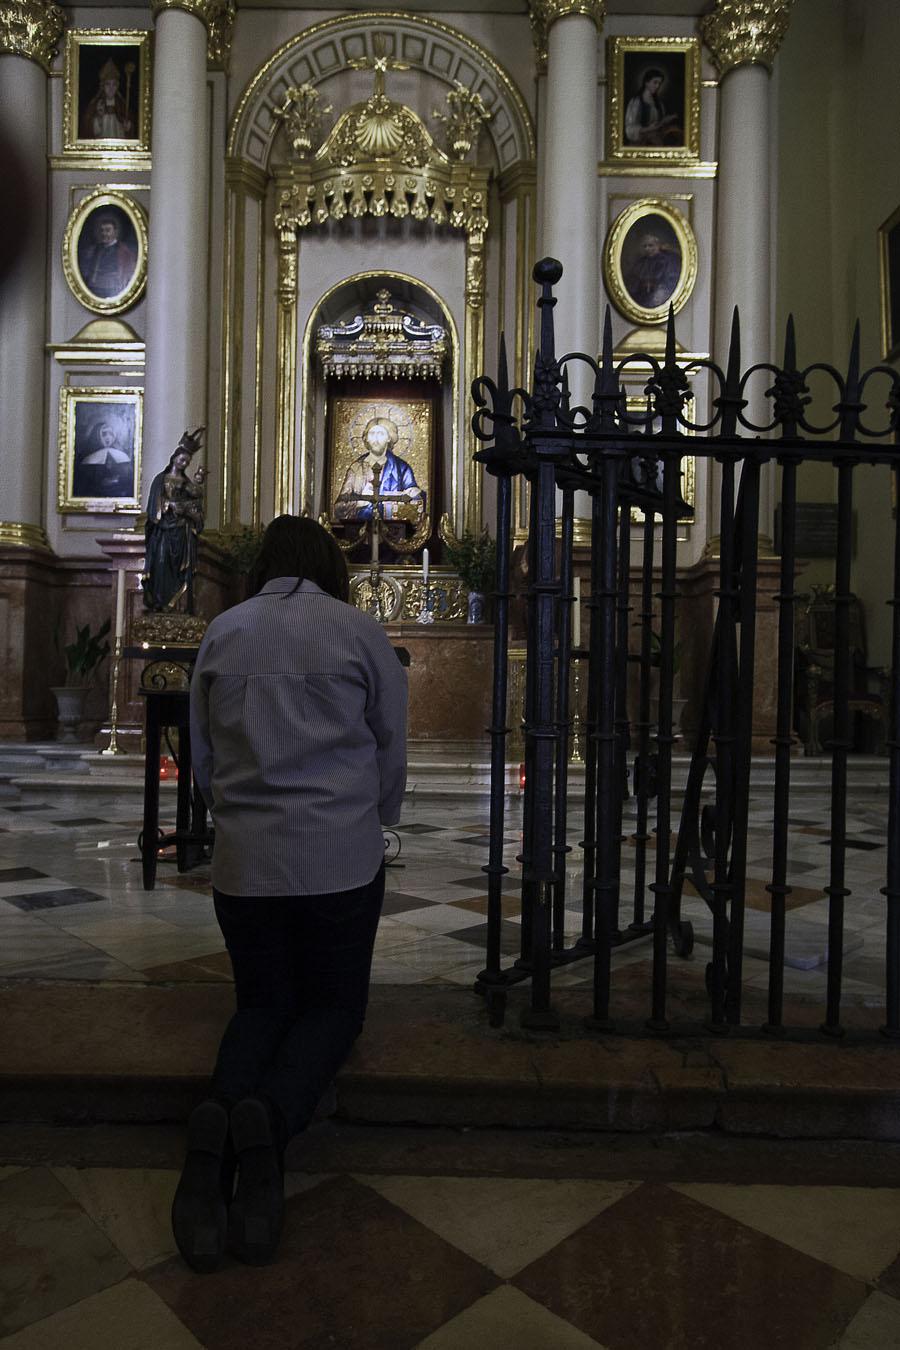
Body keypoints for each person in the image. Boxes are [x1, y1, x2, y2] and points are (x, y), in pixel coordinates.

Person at [173, 515, 408, 1272]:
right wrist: (377, 817)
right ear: (330, 564)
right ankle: (266, 1123)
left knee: (262, 1004)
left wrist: (234, 815)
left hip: (246, 863)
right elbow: (388, 743)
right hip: (338, 856)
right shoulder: (358, 632)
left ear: (263, 564)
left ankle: (216, 1125)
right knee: (334, 1008)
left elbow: (201, 753)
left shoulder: (224, 631)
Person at [142, 428, 206, 612]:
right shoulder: (160, 480)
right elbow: (154, 504)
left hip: (181, 532)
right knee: (160, 563)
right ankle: (160, 602)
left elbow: (196, 502)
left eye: (187, 461)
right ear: (175, 456)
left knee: (179, 571)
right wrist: (169, 506)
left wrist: (190, 511)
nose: (183, 463)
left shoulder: (187, 484)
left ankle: (175, 606)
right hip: (164, 530)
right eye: (182, 458)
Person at [334, 416, 423, 521]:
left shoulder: (401, 468)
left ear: (389, 438)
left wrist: (412, 496)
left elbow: (416, 501)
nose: (375, 439)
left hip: (394, 530)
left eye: (381, 434)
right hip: (360, 529)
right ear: (366, 438)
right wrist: (359, 502)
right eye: (372, 434)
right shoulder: (356, 468)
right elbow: (339, 507)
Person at [78, 211, 137, 299]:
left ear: (115, 232)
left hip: (114, 287)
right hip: (95, 290)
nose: (104, 234)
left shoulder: (124, 252)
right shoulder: (94, 250)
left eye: (108, 230)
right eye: (102, 231)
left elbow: (127, 274)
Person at [73, 419, 132, 498]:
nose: (108, 437)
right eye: (104, 434)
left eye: (110, 434)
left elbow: (127, 480)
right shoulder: (87, 458)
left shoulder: (122, 455)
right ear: (96, 436)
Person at [624, 67, 681, 147]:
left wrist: (665, 120)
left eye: (659, 83)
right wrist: (647, 129)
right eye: (655, 82)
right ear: (646, 83)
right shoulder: (636, 102)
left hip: (656, 142)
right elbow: (629, 128)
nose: (657, 86)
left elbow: (658, 124)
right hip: (640, 143)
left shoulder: (659, 103)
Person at [624, 231, 681, 310]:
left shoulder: (666, 260)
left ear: (657, 245)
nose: (647, 249)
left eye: (651, 245)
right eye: (645, 246)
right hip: (642, 296)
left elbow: (668, 280)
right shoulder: (641, 262)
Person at [80, 58, 134, 140]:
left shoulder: (121, 104)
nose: (111, 88)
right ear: (103, 86)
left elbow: (129, 125)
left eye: (114, 84)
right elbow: (88, 126)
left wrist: (128, 126)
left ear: (117, 86)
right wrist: (99, 118)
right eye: (108, 84)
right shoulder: (96, 104)